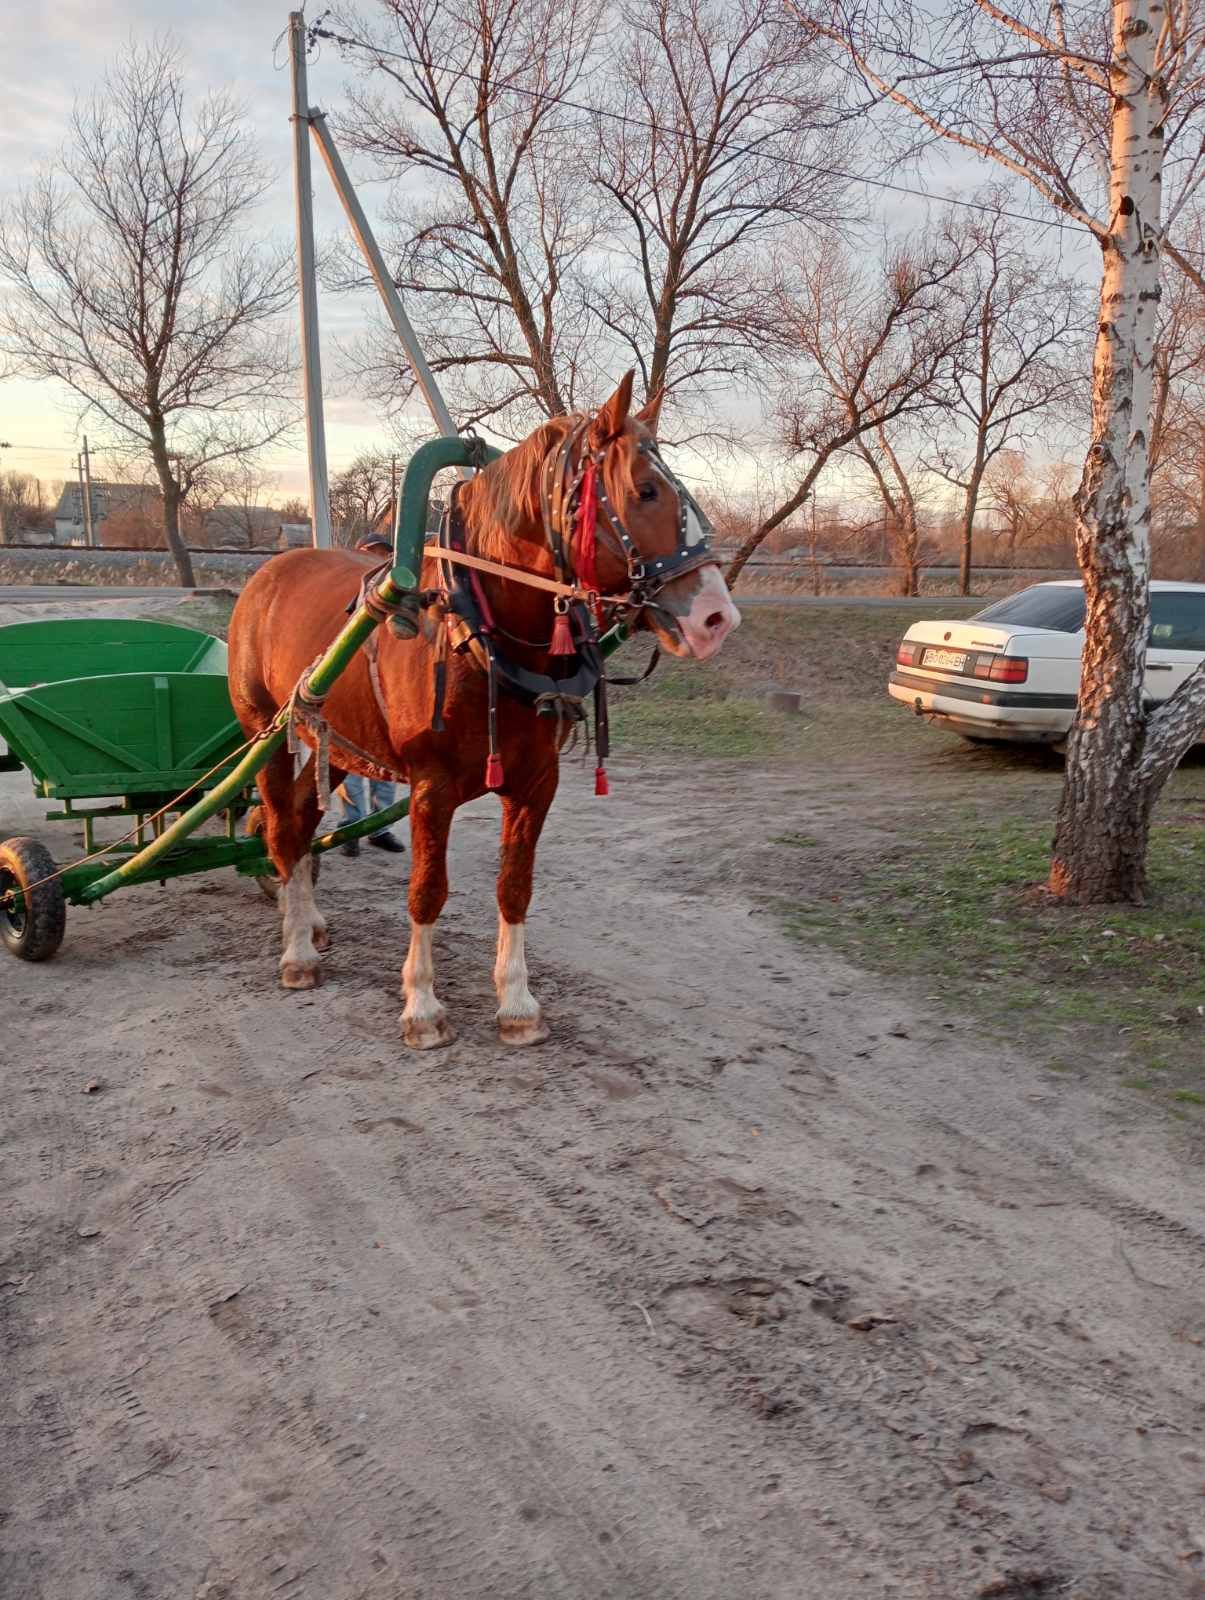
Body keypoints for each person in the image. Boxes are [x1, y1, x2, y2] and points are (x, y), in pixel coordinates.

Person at [339, 532, 405, 859]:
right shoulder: (351, 591)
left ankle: (379, 828)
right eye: (372, 554)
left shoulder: (398, 595)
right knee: (351, 767)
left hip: (384, 691)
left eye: (382, 554)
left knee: (384, 767)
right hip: (354, 692)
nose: (378, 559)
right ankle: (350, 827)